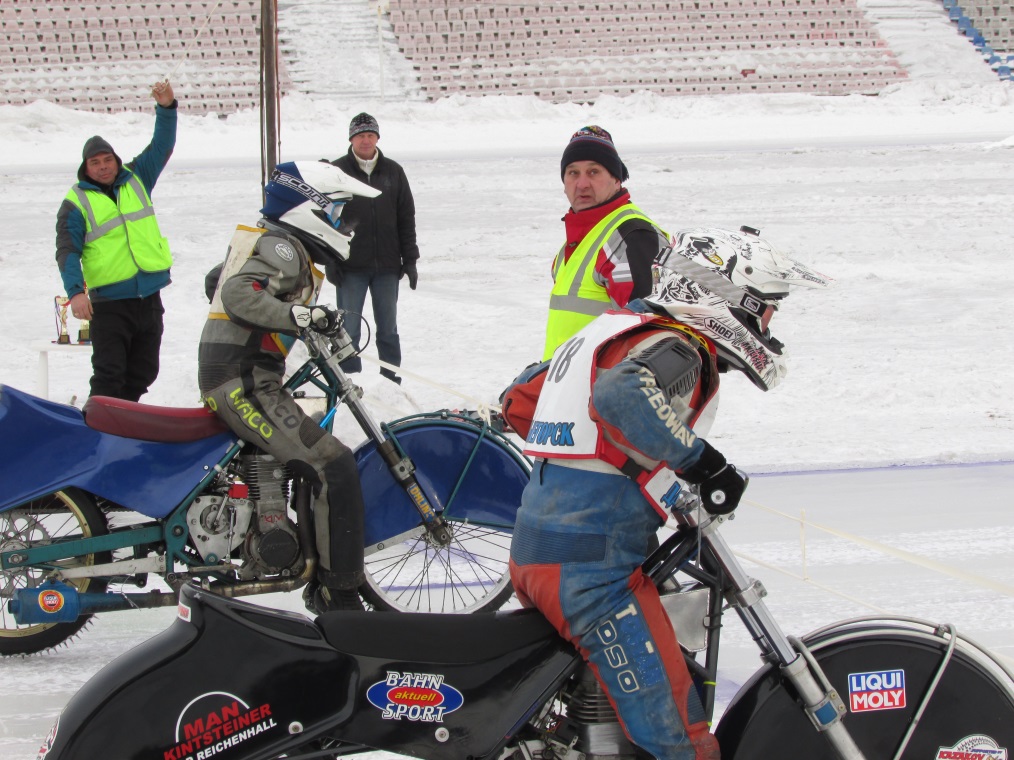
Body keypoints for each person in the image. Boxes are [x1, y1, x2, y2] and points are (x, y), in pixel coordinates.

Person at [508, 227, 830, 759]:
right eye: (768, 310)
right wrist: (704, 464)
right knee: (683, 742)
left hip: (536, 555)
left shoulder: (611, 330)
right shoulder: (682, 345)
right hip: (591, 573)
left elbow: (518, 404)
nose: (770, 327)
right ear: (729, 300)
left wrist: (630, 466)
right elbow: (620, 394)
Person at [198, 160, 381, 612]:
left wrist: (303, 322)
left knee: (312, 458)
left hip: (243, 375)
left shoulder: (275, 243)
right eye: (338, 213)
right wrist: (296, 315)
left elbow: (214, 282)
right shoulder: (284, 246)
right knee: (331, 464)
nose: (344, 225)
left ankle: (307, 562)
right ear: (311, 208)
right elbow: (238, 293)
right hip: (243, 381)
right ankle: (338, 594)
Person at [55, 80, 178, 401]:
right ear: (86, 169)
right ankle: (99, 431)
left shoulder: (137, 177)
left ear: (115, 159)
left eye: (107, 159)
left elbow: (161, 145)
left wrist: (166, 108)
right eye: (95, 163)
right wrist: (74, 293)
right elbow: (67, 250)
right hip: (109, 304)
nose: (103, 167)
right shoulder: (76, 202)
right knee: (110, 373)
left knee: (144, 371)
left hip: (148, 297)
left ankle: (124, 424)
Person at [542, 124, 669, 362]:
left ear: (616, 179)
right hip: (564, 391)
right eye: (573, 173)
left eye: (593, 172)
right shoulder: (573, 245)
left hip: (605, 394)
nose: (582, 184)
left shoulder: (631, 238)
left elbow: (651, 342)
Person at [328, 112, 420, 384]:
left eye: (370, 135)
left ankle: (391, 382)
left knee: (388, 330)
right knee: (348, 330)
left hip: (387, 267)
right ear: (351, 139)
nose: (365, 140)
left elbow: (406, 217)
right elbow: (325, 219)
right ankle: (348, 383)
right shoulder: (336, 171)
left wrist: (410, 259)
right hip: (350, 266)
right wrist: (330, 260)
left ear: (377, 138)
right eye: (360, 135)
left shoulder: (393, 171)